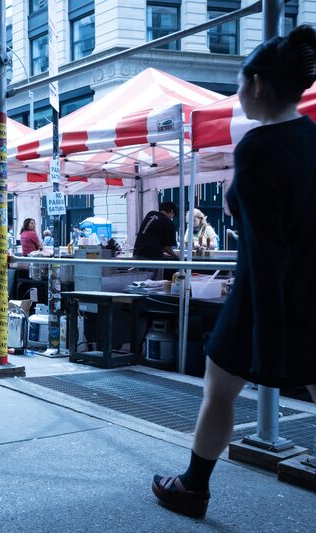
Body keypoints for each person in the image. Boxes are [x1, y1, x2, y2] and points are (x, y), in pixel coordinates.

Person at [152, 25, 316, 519]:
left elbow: (266, 249)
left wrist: (269, 344)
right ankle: (192, 485)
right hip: (313, 292)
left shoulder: (257, 148)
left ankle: (193, 487)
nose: (238, 93)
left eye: (240, 82)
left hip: (261, 299)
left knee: (218, 391)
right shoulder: (312, 139)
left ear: (260, 84)